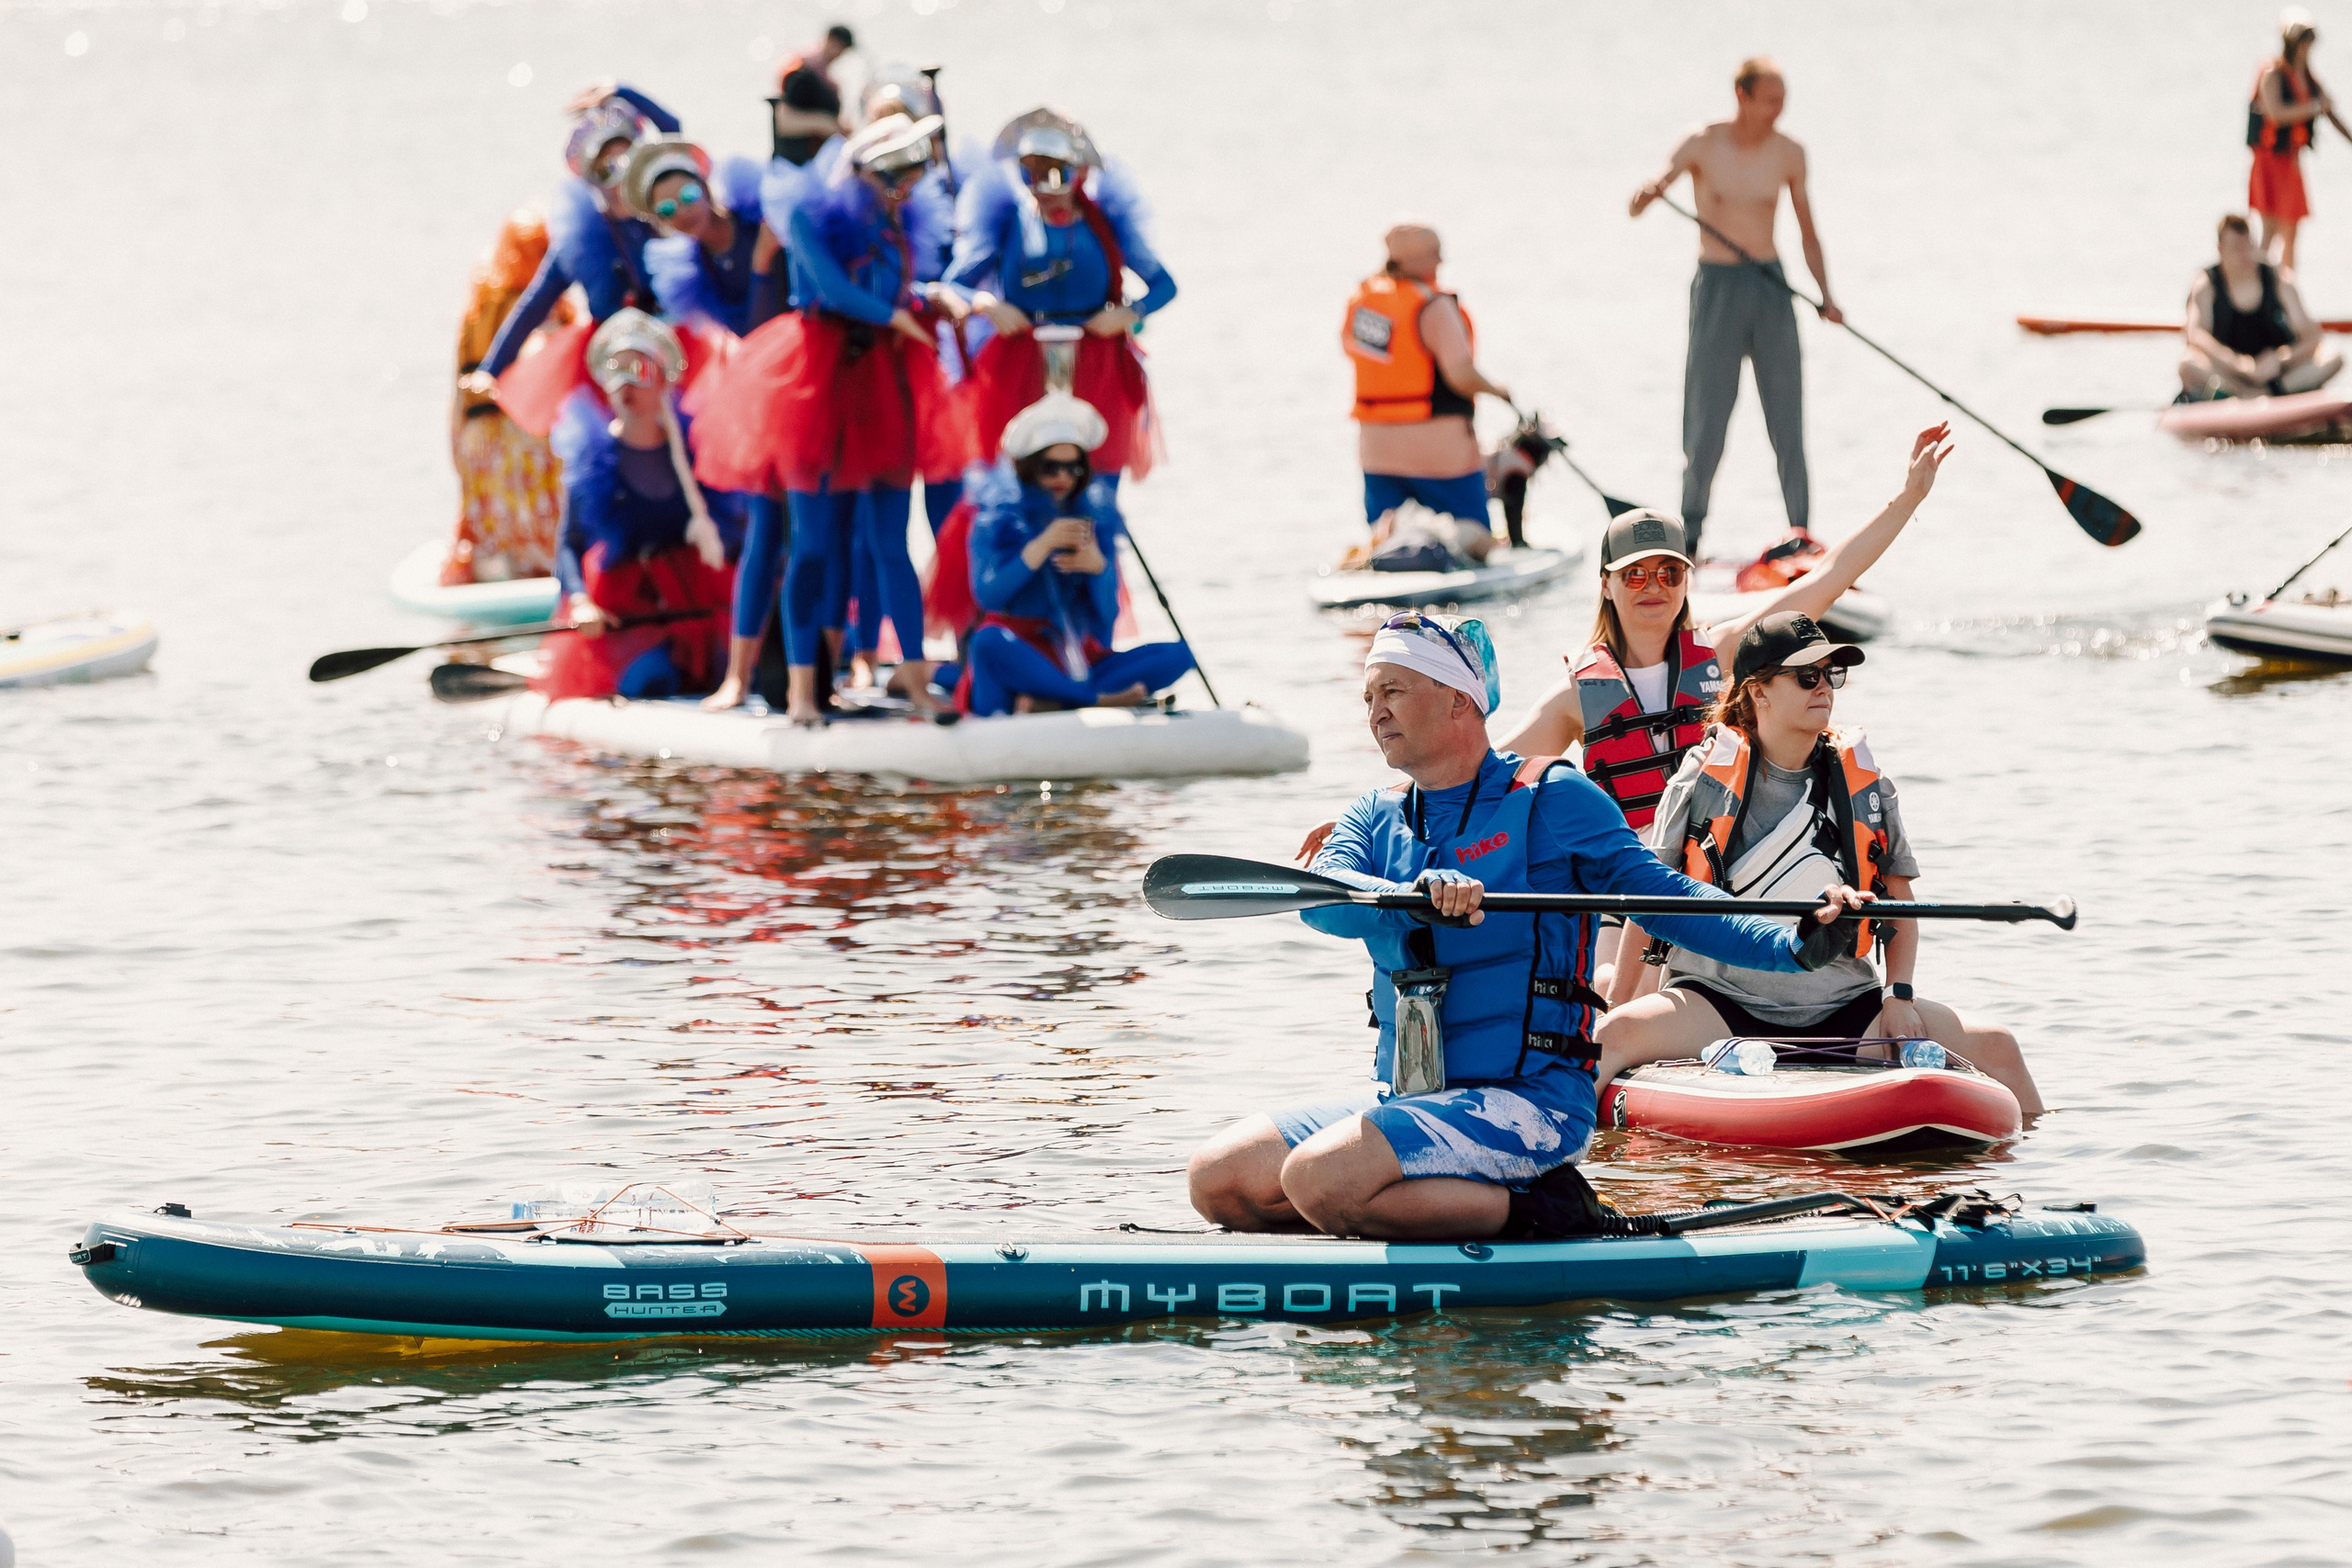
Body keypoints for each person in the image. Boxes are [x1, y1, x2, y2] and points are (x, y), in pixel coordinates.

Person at [1185, 616, 1871, 1242]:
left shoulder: (1554, 797)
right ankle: (1380, 1210)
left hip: (1531, 1100)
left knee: (1316, 1177)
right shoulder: (1372, 814)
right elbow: (1326, 903)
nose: (1377, 712)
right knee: (1217, 1180)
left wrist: (1792, 945)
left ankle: (1540, 1210)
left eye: (1393, 690)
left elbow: (1668, 898)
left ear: (1459, 701)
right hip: (1416, 1094)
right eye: (1369, 698)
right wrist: (1410, 894)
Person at [1496, 424, 1951, 997]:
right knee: (1616, 981)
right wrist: (1369, 819)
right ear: (1607, 585)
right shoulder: (1574, 698)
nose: (1652, 586)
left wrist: (1907, 497)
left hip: (1714, 880)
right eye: (1634, 574)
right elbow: (1482, 775)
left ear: (1687, 579)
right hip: (1626, 893)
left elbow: (1830, 577)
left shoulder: (1722, 655)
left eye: (1669, 572)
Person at [1593, 612, 2043, 1116]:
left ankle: (2052, 1187)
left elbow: (1901, 908)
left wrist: (1899, 995)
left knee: (2000, 1046)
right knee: (1607, 1038)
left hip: (1846, 1003)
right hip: (1717, 1003)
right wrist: (1620, 1008)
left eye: (1832, 674)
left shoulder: (1866, 783)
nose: (1824, 688)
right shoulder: (1699, 779)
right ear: (1757, 692)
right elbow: (1648, 903)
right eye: (1806, 676)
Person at [691, 115, 974, 724]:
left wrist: (929, 299)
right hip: (815, 384)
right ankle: (799, 692)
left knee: (891, 542)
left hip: (884, 384)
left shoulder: (898, 222)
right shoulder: (806, 216)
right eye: (893, 175)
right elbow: (832, 290)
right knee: (812, 546)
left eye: (913, 175)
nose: (905, 186)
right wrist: (895, 317)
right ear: (862, 171)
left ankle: (917, 680)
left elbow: (898, 288)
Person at [1631, 57, 1840, 558]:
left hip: (1770, 286)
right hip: (1718, 288)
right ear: (1742, 96)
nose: (1778, 109)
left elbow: (1808, 231)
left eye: (1782, 100)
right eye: (1770, 99)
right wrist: (1647, 194)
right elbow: (1645, 197)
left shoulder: (1790, 152)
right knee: (1706, 421)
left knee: (1787, 420)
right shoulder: (1702, 142)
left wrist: (1827, 296)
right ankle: (1692, 535)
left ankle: (1802, 535)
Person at [947, 108, 1178, 490]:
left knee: (1095, 482)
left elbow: (1165, 286)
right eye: (1031, 174)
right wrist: (987, 304)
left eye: (1056, 175)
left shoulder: (1105, 223)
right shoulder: (1008, 219)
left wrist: (1129, 312)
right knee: (1020, 480)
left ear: (1080, 173)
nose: (1043, 188)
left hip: (1096, 360)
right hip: (1020, 362)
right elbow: (954, 284)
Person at [536, 310, 748, 704]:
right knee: (652, 678)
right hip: (624, 609)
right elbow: (569, 545)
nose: (626, 384)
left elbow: (737, 531)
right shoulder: (593, 457)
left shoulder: (693, 451)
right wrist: (581, 603)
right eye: (616, 371)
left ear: (665, 379)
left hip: (693, 601)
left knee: (721, 664)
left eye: (640, 370)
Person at [960, 394, 1193, 716]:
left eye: (1073, 468)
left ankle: (1055, 702)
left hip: (1072, 657)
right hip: (1016, 656)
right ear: (1027, 468)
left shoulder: (1092, 519)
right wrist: (1038, 548)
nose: (1063, 478)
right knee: (986, 643)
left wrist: (1099, 569)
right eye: (1051, 468)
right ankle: (1092, 700)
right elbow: (988, 597)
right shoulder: (994, 519)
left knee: (1180, 655)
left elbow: (1106, 619)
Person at [469, 86, 681, 389]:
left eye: (629, 162)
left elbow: (673, 132)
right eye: (608, 168)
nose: (620, 177)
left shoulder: (665, 212)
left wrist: (621, 90)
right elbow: (535, 303)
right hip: (617, 368)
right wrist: (490, 369)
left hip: (675, 349)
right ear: (591, 176)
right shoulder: (580, 237)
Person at [1342, 223, 1511, 558]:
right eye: (1435, 252)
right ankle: (1445, 542)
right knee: (1479, 539)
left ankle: (1395, 536)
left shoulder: (1363, 303)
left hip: (1377, 452)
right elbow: (1461, 374)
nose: (1442, 260)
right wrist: (1497, 391)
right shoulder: (1432, 306)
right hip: (1440, 453)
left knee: (1389, 538)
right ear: (1414, 258)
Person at [444, 209, 572, 586]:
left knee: (494, 529)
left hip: (478, 438)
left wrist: (458, 454)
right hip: (525, 443)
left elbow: (457, 395)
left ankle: (496, 572)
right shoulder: (545, 312)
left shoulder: (478, 309)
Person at [630, 138, 780, 339]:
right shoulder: (695, 273)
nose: (682, 212)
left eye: (688, 195)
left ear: (706, 190)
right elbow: (748, 333)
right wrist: (761, 263)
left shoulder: (757, 214)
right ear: (661, 222)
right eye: (667, 209)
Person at [2184, 214, 2345, 400]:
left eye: (2248, 246)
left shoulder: (2277, 278)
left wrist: (2281, 359)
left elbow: (2312, 335)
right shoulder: (2206, 283)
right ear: (2220, 250)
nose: (2244, 255)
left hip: (2279, 374)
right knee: (2187, 363)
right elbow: (2195, 335)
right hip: (2232, 374)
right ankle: (2246, 394)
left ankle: (2263, 394)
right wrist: (2239, 364)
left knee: (2334, 356)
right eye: (2236, 248)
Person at [2248, 10, 2345, 271]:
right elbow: (2276, 113)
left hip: (2291, 160)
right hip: (2269, 160)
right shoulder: (2273, 74)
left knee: (2292, 233)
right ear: (2291, 42)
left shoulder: (2308, 77)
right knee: (2269, 229)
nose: (2305, 47)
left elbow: (2330, 111)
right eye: (2302, 41)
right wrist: (2314, 107)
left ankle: (2285, 294)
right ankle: (2261, 291)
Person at [769, 26, 855, 167]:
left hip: (818, 159)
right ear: (830, 40)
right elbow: (784, 122)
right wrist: (824, 123)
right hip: (794, 162)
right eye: (841, 48)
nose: (841, 55)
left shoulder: (828, 81)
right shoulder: (800, 71)